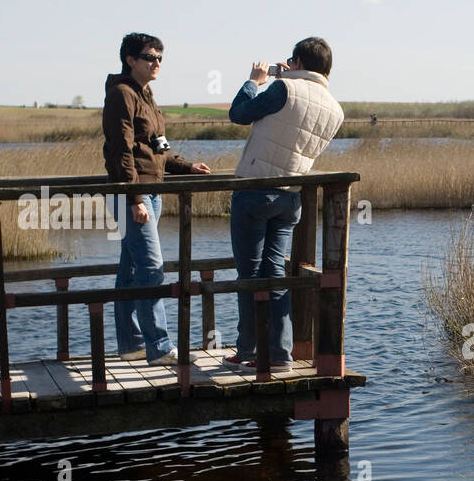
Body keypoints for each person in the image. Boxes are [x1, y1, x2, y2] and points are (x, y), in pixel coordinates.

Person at [225, 36, 345, 371]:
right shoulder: (335, 109)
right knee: (275, 273)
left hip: (255, 190)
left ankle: (247, 351)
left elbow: (239, 113)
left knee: (249, 275)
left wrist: (254, 81)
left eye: (291, 62)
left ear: (298, 62)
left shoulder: (284, 90)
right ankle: (280, 355)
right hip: (290, 197)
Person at [102, 32, 210, 365]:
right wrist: (134, 198)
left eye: (160, 58)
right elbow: (120, 150)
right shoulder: (121, 94)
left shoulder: (147, 95)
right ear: (130, 60)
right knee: (151, 267)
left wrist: (186, 166)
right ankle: (159, 348)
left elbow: (158, 148)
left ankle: (131, 344)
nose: (156, 63)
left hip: (153, 191)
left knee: (130, 269)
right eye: (150, 57)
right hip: (133, 193)